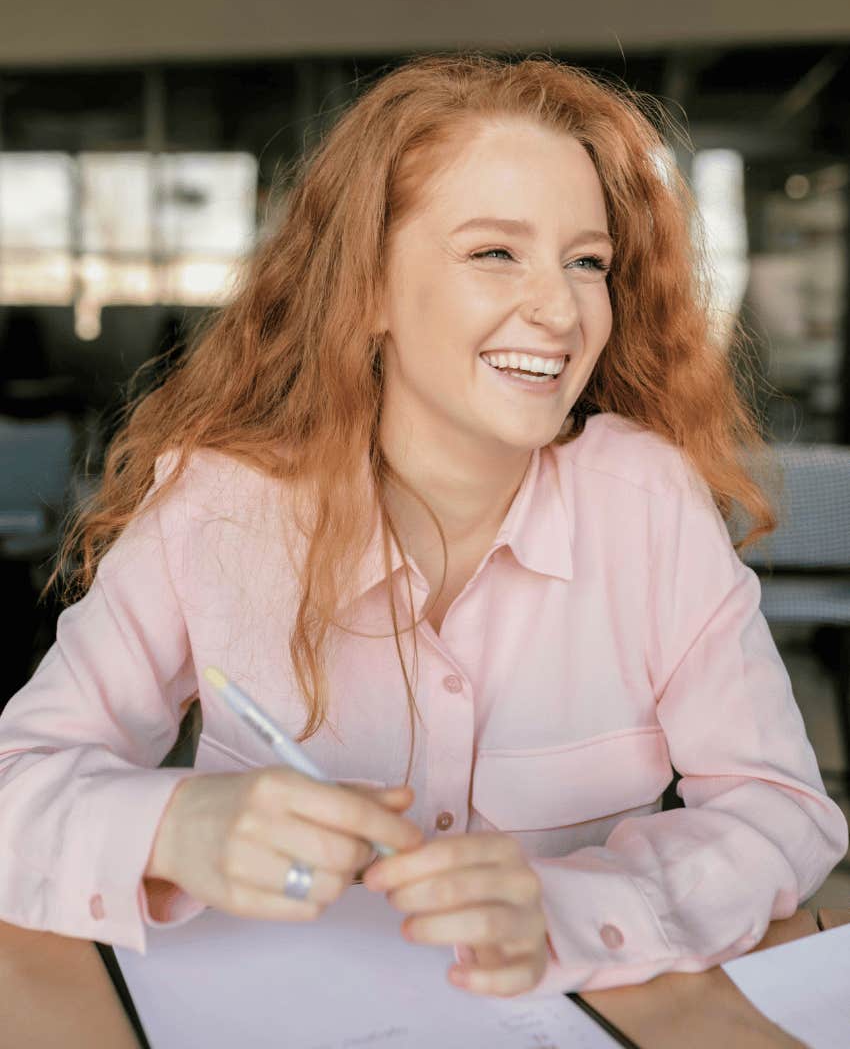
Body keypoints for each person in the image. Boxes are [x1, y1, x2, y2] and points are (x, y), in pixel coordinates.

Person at [0, 53, 845, 1000]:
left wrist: (569, 907)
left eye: (587, 262)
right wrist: (172, 826)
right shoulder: (217, 507)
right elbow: (15, 785)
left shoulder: (649, 507)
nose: (561, 308)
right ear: (365, 289)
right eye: (495, 252)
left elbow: (781, 811)